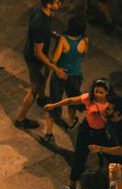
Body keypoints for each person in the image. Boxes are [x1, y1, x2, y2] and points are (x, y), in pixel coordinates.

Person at [45, 78, 112, 189]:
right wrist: (54, 105)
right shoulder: (89, 98)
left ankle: (105, 187)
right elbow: (71, 100)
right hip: (86, 131)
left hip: (101, 133)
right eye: (96, 91)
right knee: (79, 158)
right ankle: (72, 186)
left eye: (101, 92)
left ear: (107, 92)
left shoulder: (111, 104)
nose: (98, 94)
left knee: (106, 159)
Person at [14, 0, 62, 130]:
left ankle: (41, 99)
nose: (60, 4)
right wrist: (55, 68)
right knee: (34, 89)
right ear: (49, 3)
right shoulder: (41, 23)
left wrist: (51, 34)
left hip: (34, 54)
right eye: (57, 2)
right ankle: (20, 119)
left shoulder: (40, 10)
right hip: (34, 59)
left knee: (43, 77)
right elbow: (38, 53)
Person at [44, 14, 87, 142]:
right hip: (76, 75)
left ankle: (49, 133)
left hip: (60, 75)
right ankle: (70, 123)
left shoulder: (63, 40)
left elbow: (54, 59)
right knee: (72, 100)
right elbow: (83, 55)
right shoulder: (85, 40)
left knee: (54, 101)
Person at [98, 96, 122, 167]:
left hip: (116, 160)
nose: (105, 110)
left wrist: (101, 149)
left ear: (116, 113)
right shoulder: (112, 118)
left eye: (108, 109)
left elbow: (120, 151)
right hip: (107, 153)